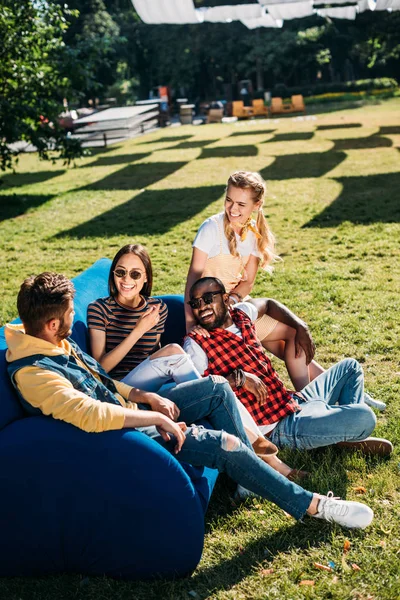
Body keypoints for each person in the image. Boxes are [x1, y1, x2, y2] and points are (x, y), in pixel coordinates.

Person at [5, 271, 375, 530]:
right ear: (52, 323)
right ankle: (313, 506)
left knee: (215, 386)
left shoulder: (50, 339)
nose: (73, 317)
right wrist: (158, 420)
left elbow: (104, 383)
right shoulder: (34, 372)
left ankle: (250, 476)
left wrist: (147, 396)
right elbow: (90, 414)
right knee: (226, 444)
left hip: (136, 413)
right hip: (123, 440)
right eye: (69, 314)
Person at [87, 244, 298, 479]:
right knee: (175, 352)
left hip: (155, 385)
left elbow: (152, 359)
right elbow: (100, 369)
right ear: (113, 273)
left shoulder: (157, 309)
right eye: (120, 272)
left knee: (214, 385)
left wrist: (193, 333)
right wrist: (137, 331)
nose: (127, 279)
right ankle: (255, 440)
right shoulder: (99, 309)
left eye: (135, 274)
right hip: (120, 388)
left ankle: (274, 466)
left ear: (146, 277)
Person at [184, 171, 385, 411]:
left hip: (235, 307)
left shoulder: (253, 234)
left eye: (241, 204)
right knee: (291, 334)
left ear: (257, 205)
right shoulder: (211, 228)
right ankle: (315, 400)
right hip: (213, 313)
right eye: (229, 200)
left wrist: (235, 299)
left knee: (287, 342)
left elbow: (248, 282)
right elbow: (193, 277)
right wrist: (190, 326)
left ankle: (335, 394)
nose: (232, 208)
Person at [184, 276, 392, 455]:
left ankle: (343, 438)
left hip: (292, 402)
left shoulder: (242, 315)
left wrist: (300, 325)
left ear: (226, 299)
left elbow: (269, 303)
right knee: (365, 417)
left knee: (350, 367)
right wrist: (238, 379)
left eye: (208, 299)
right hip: (277, 428)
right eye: (195, 303)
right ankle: (341, 433)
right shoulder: (196, 344)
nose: (202, 307)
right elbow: (198, 394)